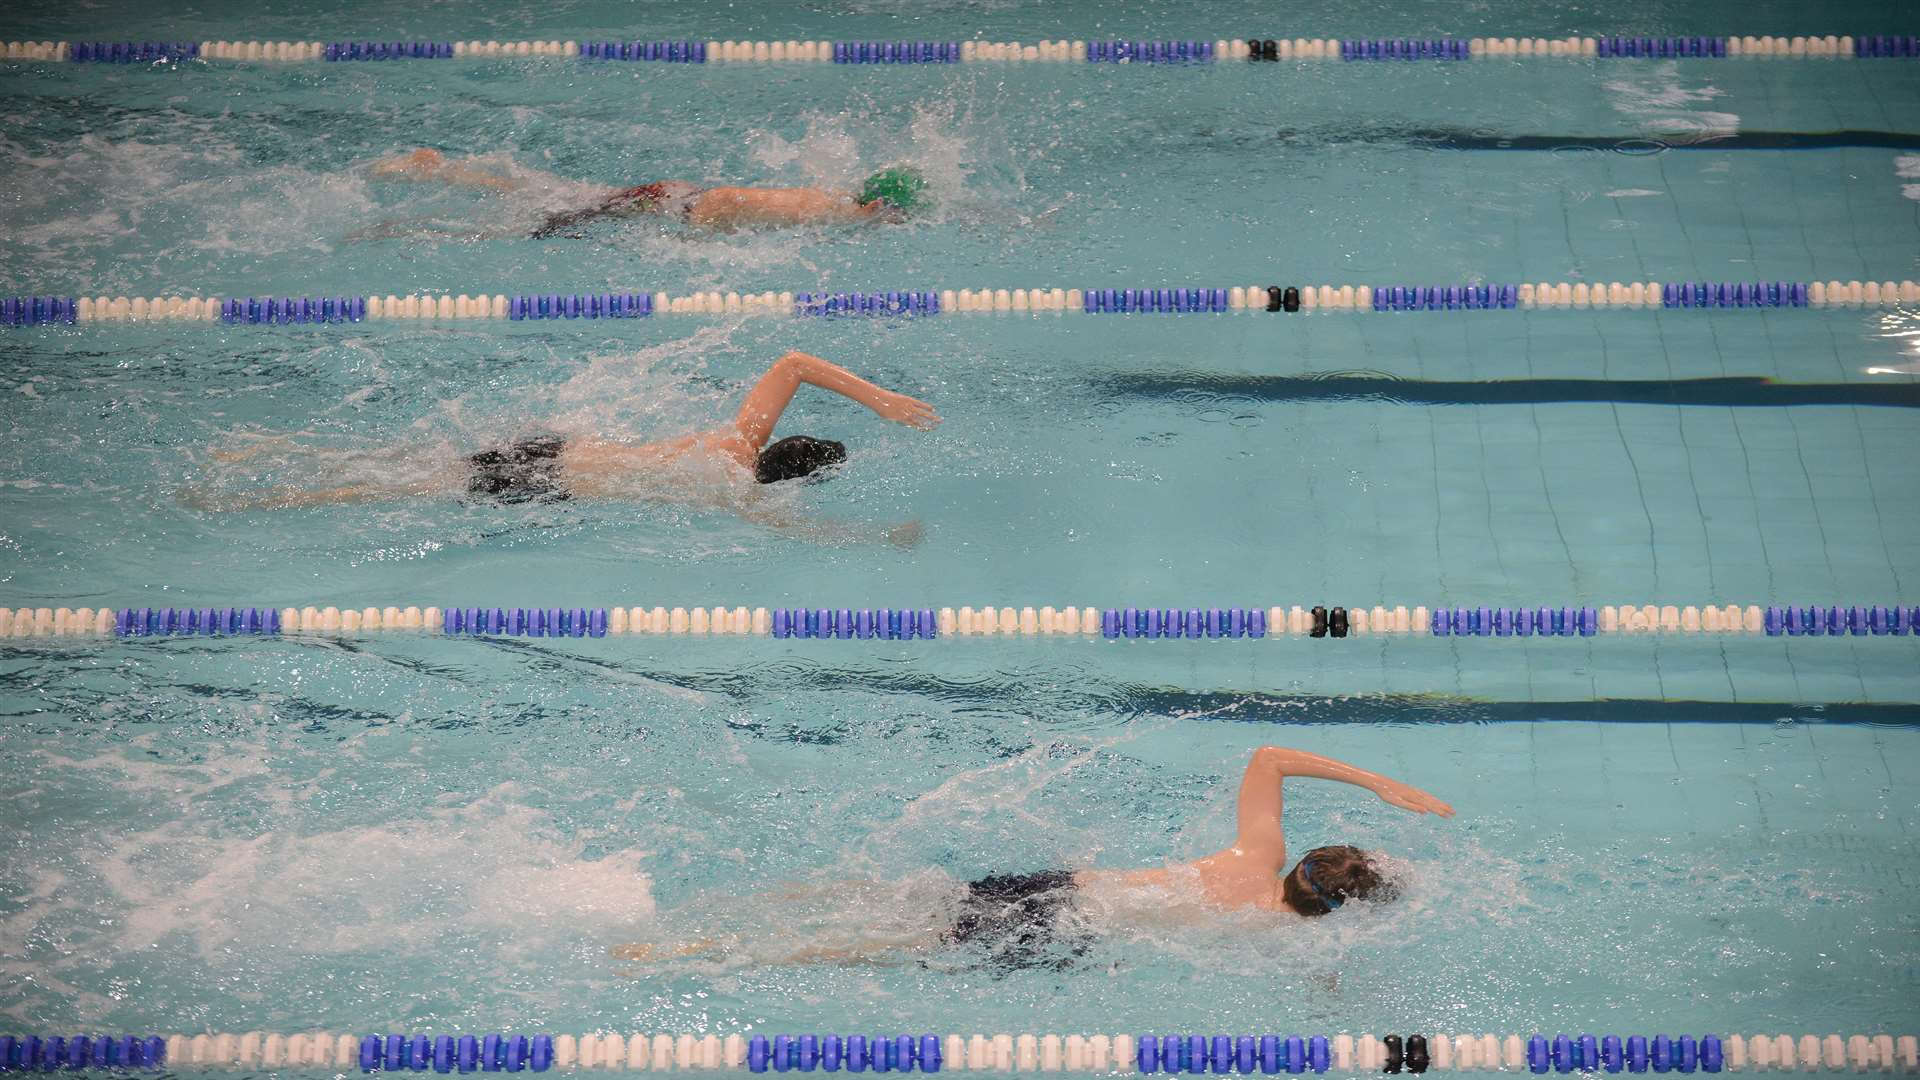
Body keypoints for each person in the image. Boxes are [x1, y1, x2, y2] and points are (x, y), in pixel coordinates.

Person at [613, 746, 1454, 969]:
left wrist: (1379, 783)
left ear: (1304, 860)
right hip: (1062, 933)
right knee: (869, 947)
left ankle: (717, 914)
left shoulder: (1251, 854)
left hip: (1056, 888)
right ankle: (679, 954)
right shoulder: (1287, 937)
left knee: (875, 895)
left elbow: (1268, 755)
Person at [184, 351, 939, 531]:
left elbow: (794, 362)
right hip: (547, 484)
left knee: (404, 466)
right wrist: (884, 541)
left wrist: (883, 402)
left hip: (554, 448)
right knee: (390, 487)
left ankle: (249, 455)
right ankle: (263, 498)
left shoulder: (734, 442)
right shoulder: (738, 491)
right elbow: (809, 538)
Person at [367, 148, 930, 235]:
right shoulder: (839, 213)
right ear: (883, 204)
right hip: (680, 203)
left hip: (678, 196)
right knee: (546, 215)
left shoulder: (826, 200)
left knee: (547, 196)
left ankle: (439, 170)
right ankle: (420, 196)